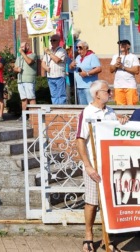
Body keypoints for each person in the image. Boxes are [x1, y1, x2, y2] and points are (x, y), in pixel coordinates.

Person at [76, 80, 127, 252]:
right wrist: (88, 167)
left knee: (109, 203)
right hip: (94, 166)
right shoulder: (87, 112)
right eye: (107, 91)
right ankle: (88, 236)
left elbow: (116, 131)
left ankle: (108, 237)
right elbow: (79, 140)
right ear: (97, 94)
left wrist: (122, 120)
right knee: (92, 203)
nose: (110, 93)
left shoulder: (111, 112)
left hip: (110, 166)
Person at [70, 41, 102, 105]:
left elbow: (99, 69)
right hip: (79, 87)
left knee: (91, 107)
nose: (78, 49)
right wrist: (71, 65)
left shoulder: (92, 56)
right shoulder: (78, 57)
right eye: (77, 47)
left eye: (80, 47)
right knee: (83, 108)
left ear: (86, 48)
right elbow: (71, 68)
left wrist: (87, 73)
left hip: (89, 87)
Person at [110, 39, 140, 105]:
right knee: (120, 107)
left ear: (128, 46)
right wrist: (116, 64)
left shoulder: (133, 57)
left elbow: (136, 70)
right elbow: (111, 70)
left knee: (131, 106)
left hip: (130, 86)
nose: (121, 46)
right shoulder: (115, 56)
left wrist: (123, 67)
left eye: (123, 44)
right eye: (120, 44)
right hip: (118, 85)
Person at [13, 42, 37, 121]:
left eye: (23, 46)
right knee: (23, 99)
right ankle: (24, 116)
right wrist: (16, 69)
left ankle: (33, 116)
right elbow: (15, 68)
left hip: (29, 80)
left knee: (31, 98)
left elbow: (29, 62)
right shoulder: (19, 57)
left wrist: (22, 53)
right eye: (21, 47)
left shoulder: (33, 55)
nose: (22, 48)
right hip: (20, 80)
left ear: (28, 46)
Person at [41, 34, 67, 104]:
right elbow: (43, 63)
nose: (52, 42)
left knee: (61, 95)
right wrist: (46, 68)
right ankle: (55, 109)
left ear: (58, 41)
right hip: (50, 76)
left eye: (54, 40)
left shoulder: (62, 51)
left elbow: (57, 60)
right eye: (51, 40)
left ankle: (61, 109)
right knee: (53, 95)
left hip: (59, 76)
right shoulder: (48, 51)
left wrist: (49, 53)